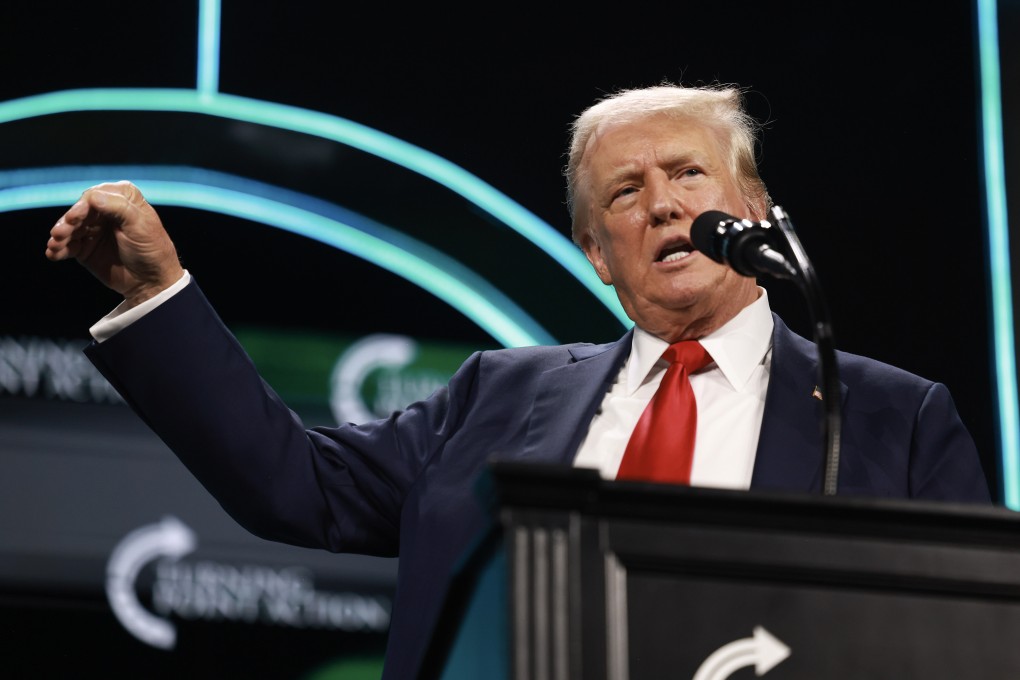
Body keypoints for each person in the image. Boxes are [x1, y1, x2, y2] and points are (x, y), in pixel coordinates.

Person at [44, 82, 991, 679]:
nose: (662, 201)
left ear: (755, 213)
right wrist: (157, 297)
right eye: (625, 193)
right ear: (596, 257)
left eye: (689, 175)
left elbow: (972, 646)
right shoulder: (498, 395)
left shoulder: (892, 417)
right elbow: (297, 487)